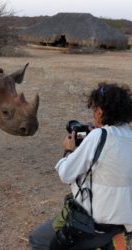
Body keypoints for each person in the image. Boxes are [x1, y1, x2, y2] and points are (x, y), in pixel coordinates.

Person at [29, 82, 132, 250]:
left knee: (38, 239)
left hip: (95, 224)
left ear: (99, 112)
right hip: (124, 222)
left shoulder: (99, 136)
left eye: (94, 111)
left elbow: (66, 174)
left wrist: (68, 150)